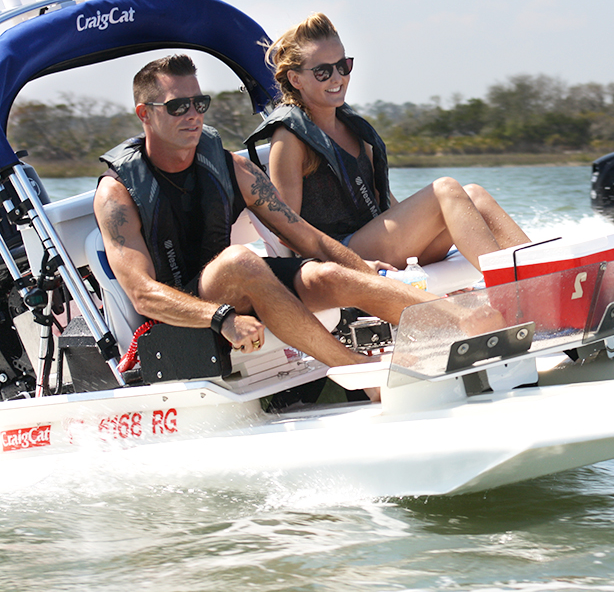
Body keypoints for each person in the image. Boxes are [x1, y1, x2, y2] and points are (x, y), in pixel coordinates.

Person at [93, 54, 444, 389]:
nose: (193, 115)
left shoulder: (231, 167)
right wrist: (222, 319)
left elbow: (304, 235)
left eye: (200, 104)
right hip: (180, 316)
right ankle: (360, 373)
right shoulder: (116, 195)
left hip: (238, 286)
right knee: (239, 260)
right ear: (145, 114)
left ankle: (459, 327)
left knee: (327, 273)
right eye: (177, 106)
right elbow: (142, 295)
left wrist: (360, 268)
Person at [246, 13, 530, 273]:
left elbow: (386, 206)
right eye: (323, 72)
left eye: (343, 66)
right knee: (446, 189)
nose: (338, 78)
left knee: (475, 196)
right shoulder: (290, 139)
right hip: (341, 254)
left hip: (379, 241)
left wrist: (419, 222)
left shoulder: (353, 129)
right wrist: (355, 263)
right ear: (296, 78)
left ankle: (549, 279)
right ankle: (513, 293)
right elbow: (288, 229)